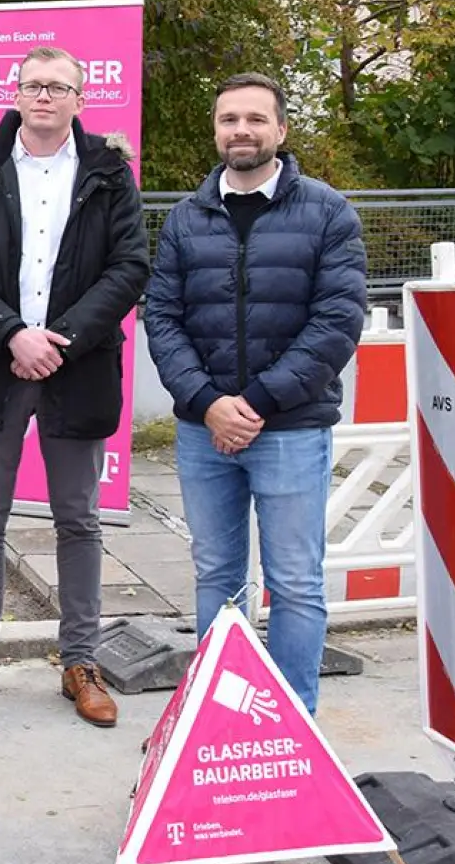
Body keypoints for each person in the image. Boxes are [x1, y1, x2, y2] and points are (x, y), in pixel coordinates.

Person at [0, 46, 150, 728]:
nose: (43, 96)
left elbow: (130, 265)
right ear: (16, 94)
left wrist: (62, 339)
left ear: (81, 99)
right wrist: (13, 333)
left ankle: (80, 660)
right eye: (32, 84)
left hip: (77, 368)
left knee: (78, 519)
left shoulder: (111, 175)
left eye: (58, 87)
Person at [145, 72, 366, 717]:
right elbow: (162, 317)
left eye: (254, 119)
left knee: (295, 583)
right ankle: (221, 717)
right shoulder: (187, 218)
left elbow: (337, 322)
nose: (241, 130)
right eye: (229, 120)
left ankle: (293, 724)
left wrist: (259, 404)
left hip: (291, 429)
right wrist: (207, 401)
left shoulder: (328, 211)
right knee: (217, 578)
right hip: (203, 430)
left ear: (281, 130)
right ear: (216, 132)